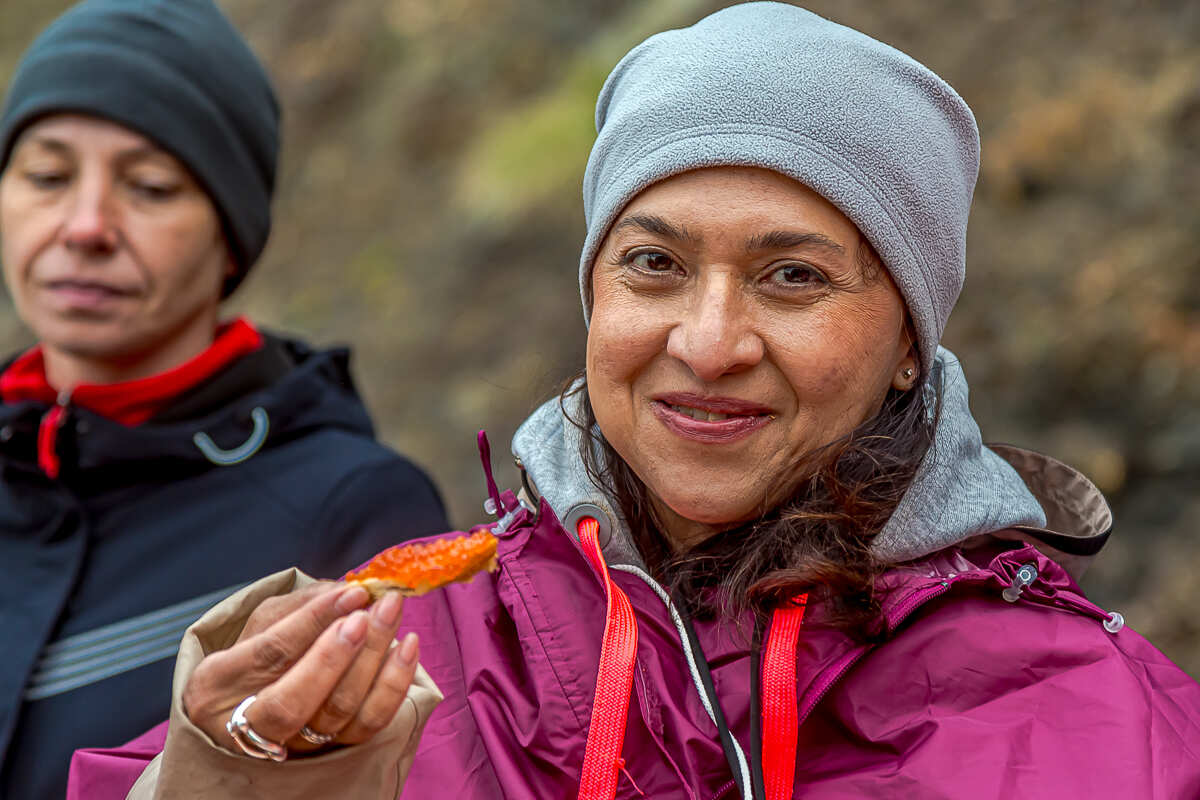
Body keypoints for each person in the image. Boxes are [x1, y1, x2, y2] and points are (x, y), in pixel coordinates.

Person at [70, 3, 1200, 798]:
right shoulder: (403, 650)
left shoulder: (1103, 722)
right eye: (653, 263)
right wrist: (223, 779)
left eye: (792, 275)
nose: (705, 343)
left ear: (909, 338)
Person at [0, 1, 449, 797]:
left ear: (232, 234)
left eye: (149, 186)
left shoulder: (351, 509)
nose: (85, 225)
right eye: (45, 175)